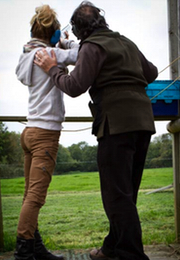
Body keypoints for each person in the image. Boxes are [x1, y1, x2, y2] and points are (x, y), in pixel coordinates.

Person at [34, 1, 158, 260]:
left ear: (80, 30)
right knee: (125, 192)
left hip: (116, 123)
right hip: (143, 122)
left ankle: (130, 255)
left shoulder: (92, 46)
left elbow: (74, 85)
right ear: (102, 22)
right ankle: (112, 247)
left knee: (116, 195)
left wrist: (52, 69)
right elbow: (152, 72)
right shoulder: (126, 42)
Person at [15, 4, 79, 260]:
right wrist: (66, 42)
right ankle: (23, 254)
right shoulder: (51, 53)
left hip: (29, 132)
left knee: (29, 194)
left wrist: (56, 44)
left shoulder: (27, 54)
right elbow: (81, 54)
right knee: (36, 198)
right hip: (45, 135)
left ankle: (35, 246)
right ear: (53, 34)